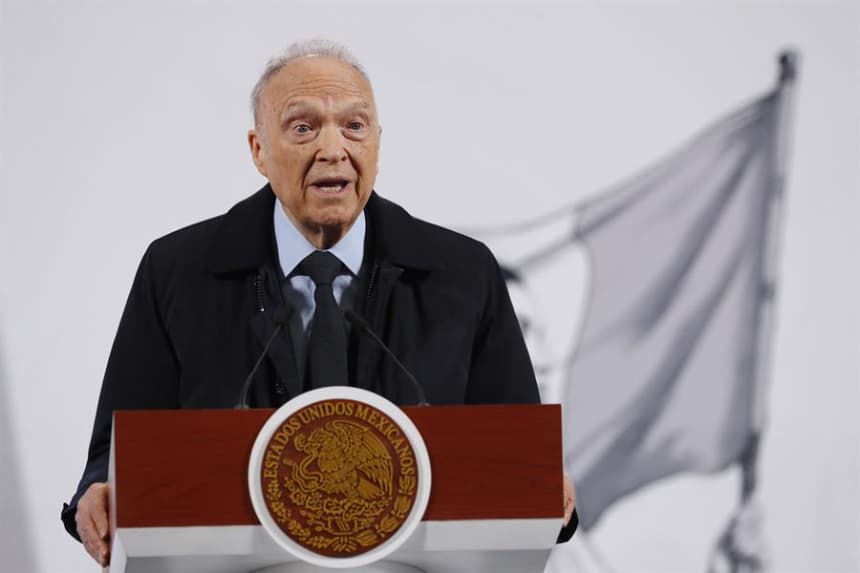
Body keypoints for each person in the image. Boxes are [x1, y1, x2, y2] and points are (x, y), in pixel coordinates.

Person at [61, 39, 577, 566]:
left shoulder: (462, 273)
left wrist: (544, 488)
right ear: (258, 150)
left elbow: (516, 452)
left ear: (377, 142)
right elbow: (117, 450)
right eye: (303, 128)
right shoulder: (178, 270)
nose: (333, 149)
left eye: (354, 126)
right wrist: (98, 492)